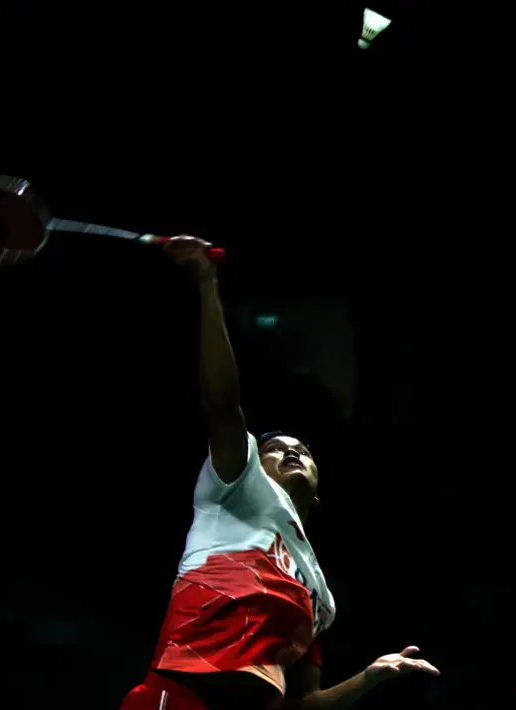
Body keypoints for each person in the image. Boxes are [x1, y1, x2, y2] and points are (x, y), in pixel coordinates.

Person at [121, 237, 440, 710]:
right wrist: (208, 286)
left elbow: (304, 704)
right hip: (182, 694)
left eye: (302, 451)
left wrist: (373, 675)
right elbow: (222, 403)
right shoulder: (238, 487)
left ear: (317, 494)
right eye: (275, 449)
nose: (291, 453)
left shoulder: (320, 596)